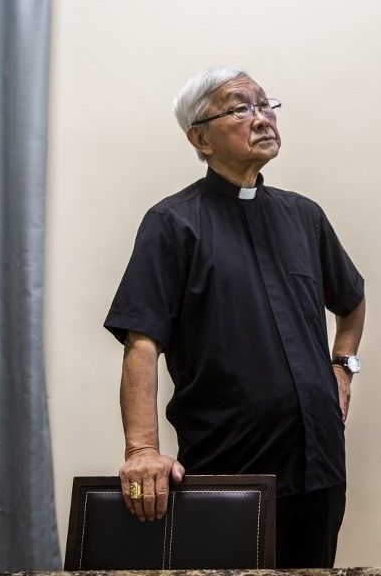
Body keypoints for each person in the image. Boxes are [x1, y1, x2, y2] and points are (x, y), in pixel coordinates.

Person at [103, 66, 365, 568]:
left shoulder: (304, 216)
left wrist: (343, 367)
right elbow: (142, 342)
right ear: (199, 139)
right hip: (229, 466)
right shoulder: (172, 223)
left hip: (320, 462)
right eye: (241, 107)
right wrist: (141, 450)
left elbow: (352, 300)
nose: (262, 117)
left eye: (266, 104)